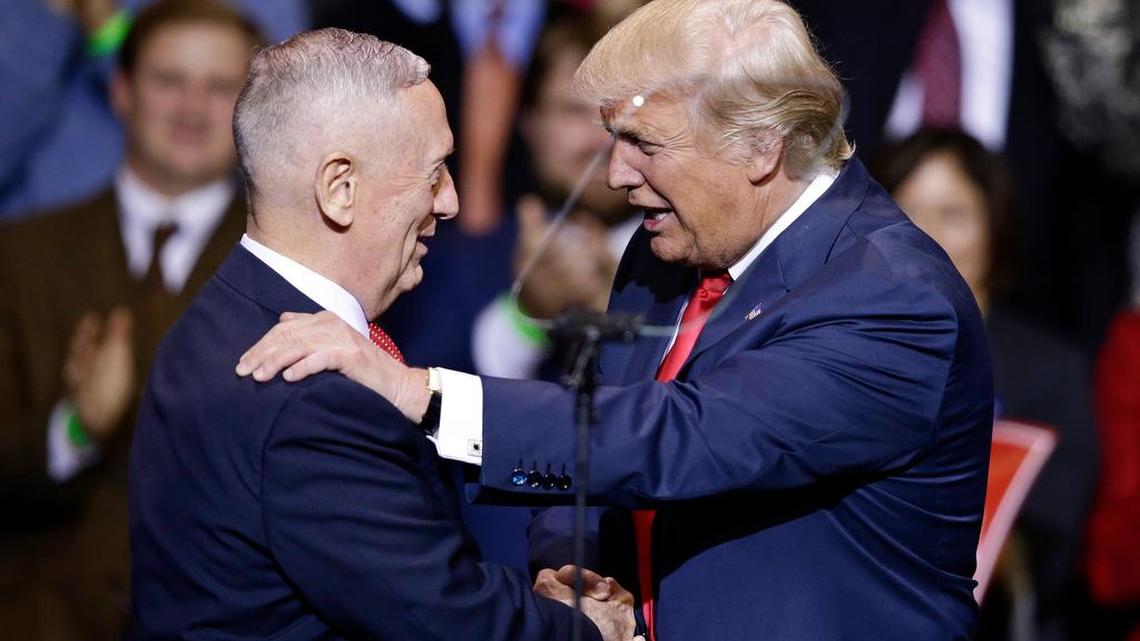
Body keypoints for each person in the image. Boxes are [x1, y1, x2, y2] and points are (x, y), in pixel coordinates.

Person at [238, 1, 994, 639]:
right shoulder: (667, 247)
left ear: (763, 145)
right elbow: (594, 443)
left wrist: (423, 393)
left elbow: (683, 436)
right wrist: (574, 565)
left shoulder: (892, 297)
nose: (615, 176)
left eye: (644, 144)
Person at [129, 28, 634, 641]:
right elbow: (443, 616)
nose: (449, 202)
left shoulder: (228, 312)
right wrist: (580, 626)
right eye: (433, 172)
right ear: (339, 189)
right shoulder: (307, 389)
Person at [0, 2, 259, 638]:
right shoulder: (19, 254)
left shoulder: (298, 266)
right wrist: (75, 429)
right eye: (169, 80)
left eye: (221, 86)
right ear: (121, 91)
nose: (192, 107)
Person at [871, 127, 1099, 641]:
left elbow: (1053, 539)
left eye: (953, 214)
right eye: (905, 210)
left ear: (994, 230)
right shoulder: (837, 349)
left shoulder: (1049, 367)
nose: (925, 234)